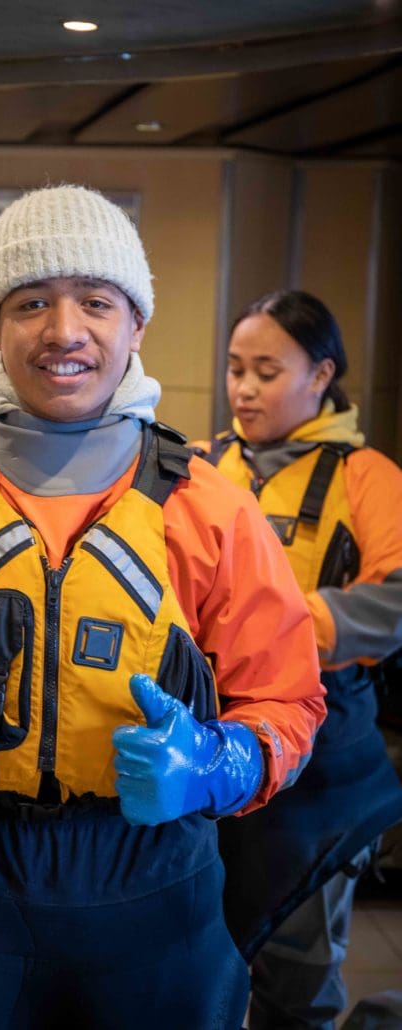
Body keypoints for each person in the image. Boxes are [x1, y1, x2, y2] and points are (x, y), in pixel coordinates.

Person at [0, 185, 326, 1030]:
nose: (64, 330)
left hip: (153, 897)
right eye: (31, 302)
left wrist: (217, 763)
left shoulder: (210, 512)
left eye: (96, 302)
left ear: (136, 325)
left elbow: (288, 701)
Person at [199, 289, 402, 1029]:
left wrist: (289, 625)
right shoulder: (203, 465)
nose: (243, 389)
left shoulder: (364, 477)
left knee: (297, 973)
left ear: (320, 377)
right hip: (218, 741)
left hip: (320, 757)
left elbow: (397, 600)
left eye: (266, 371)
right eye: (233, 369)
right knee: (206, 957)